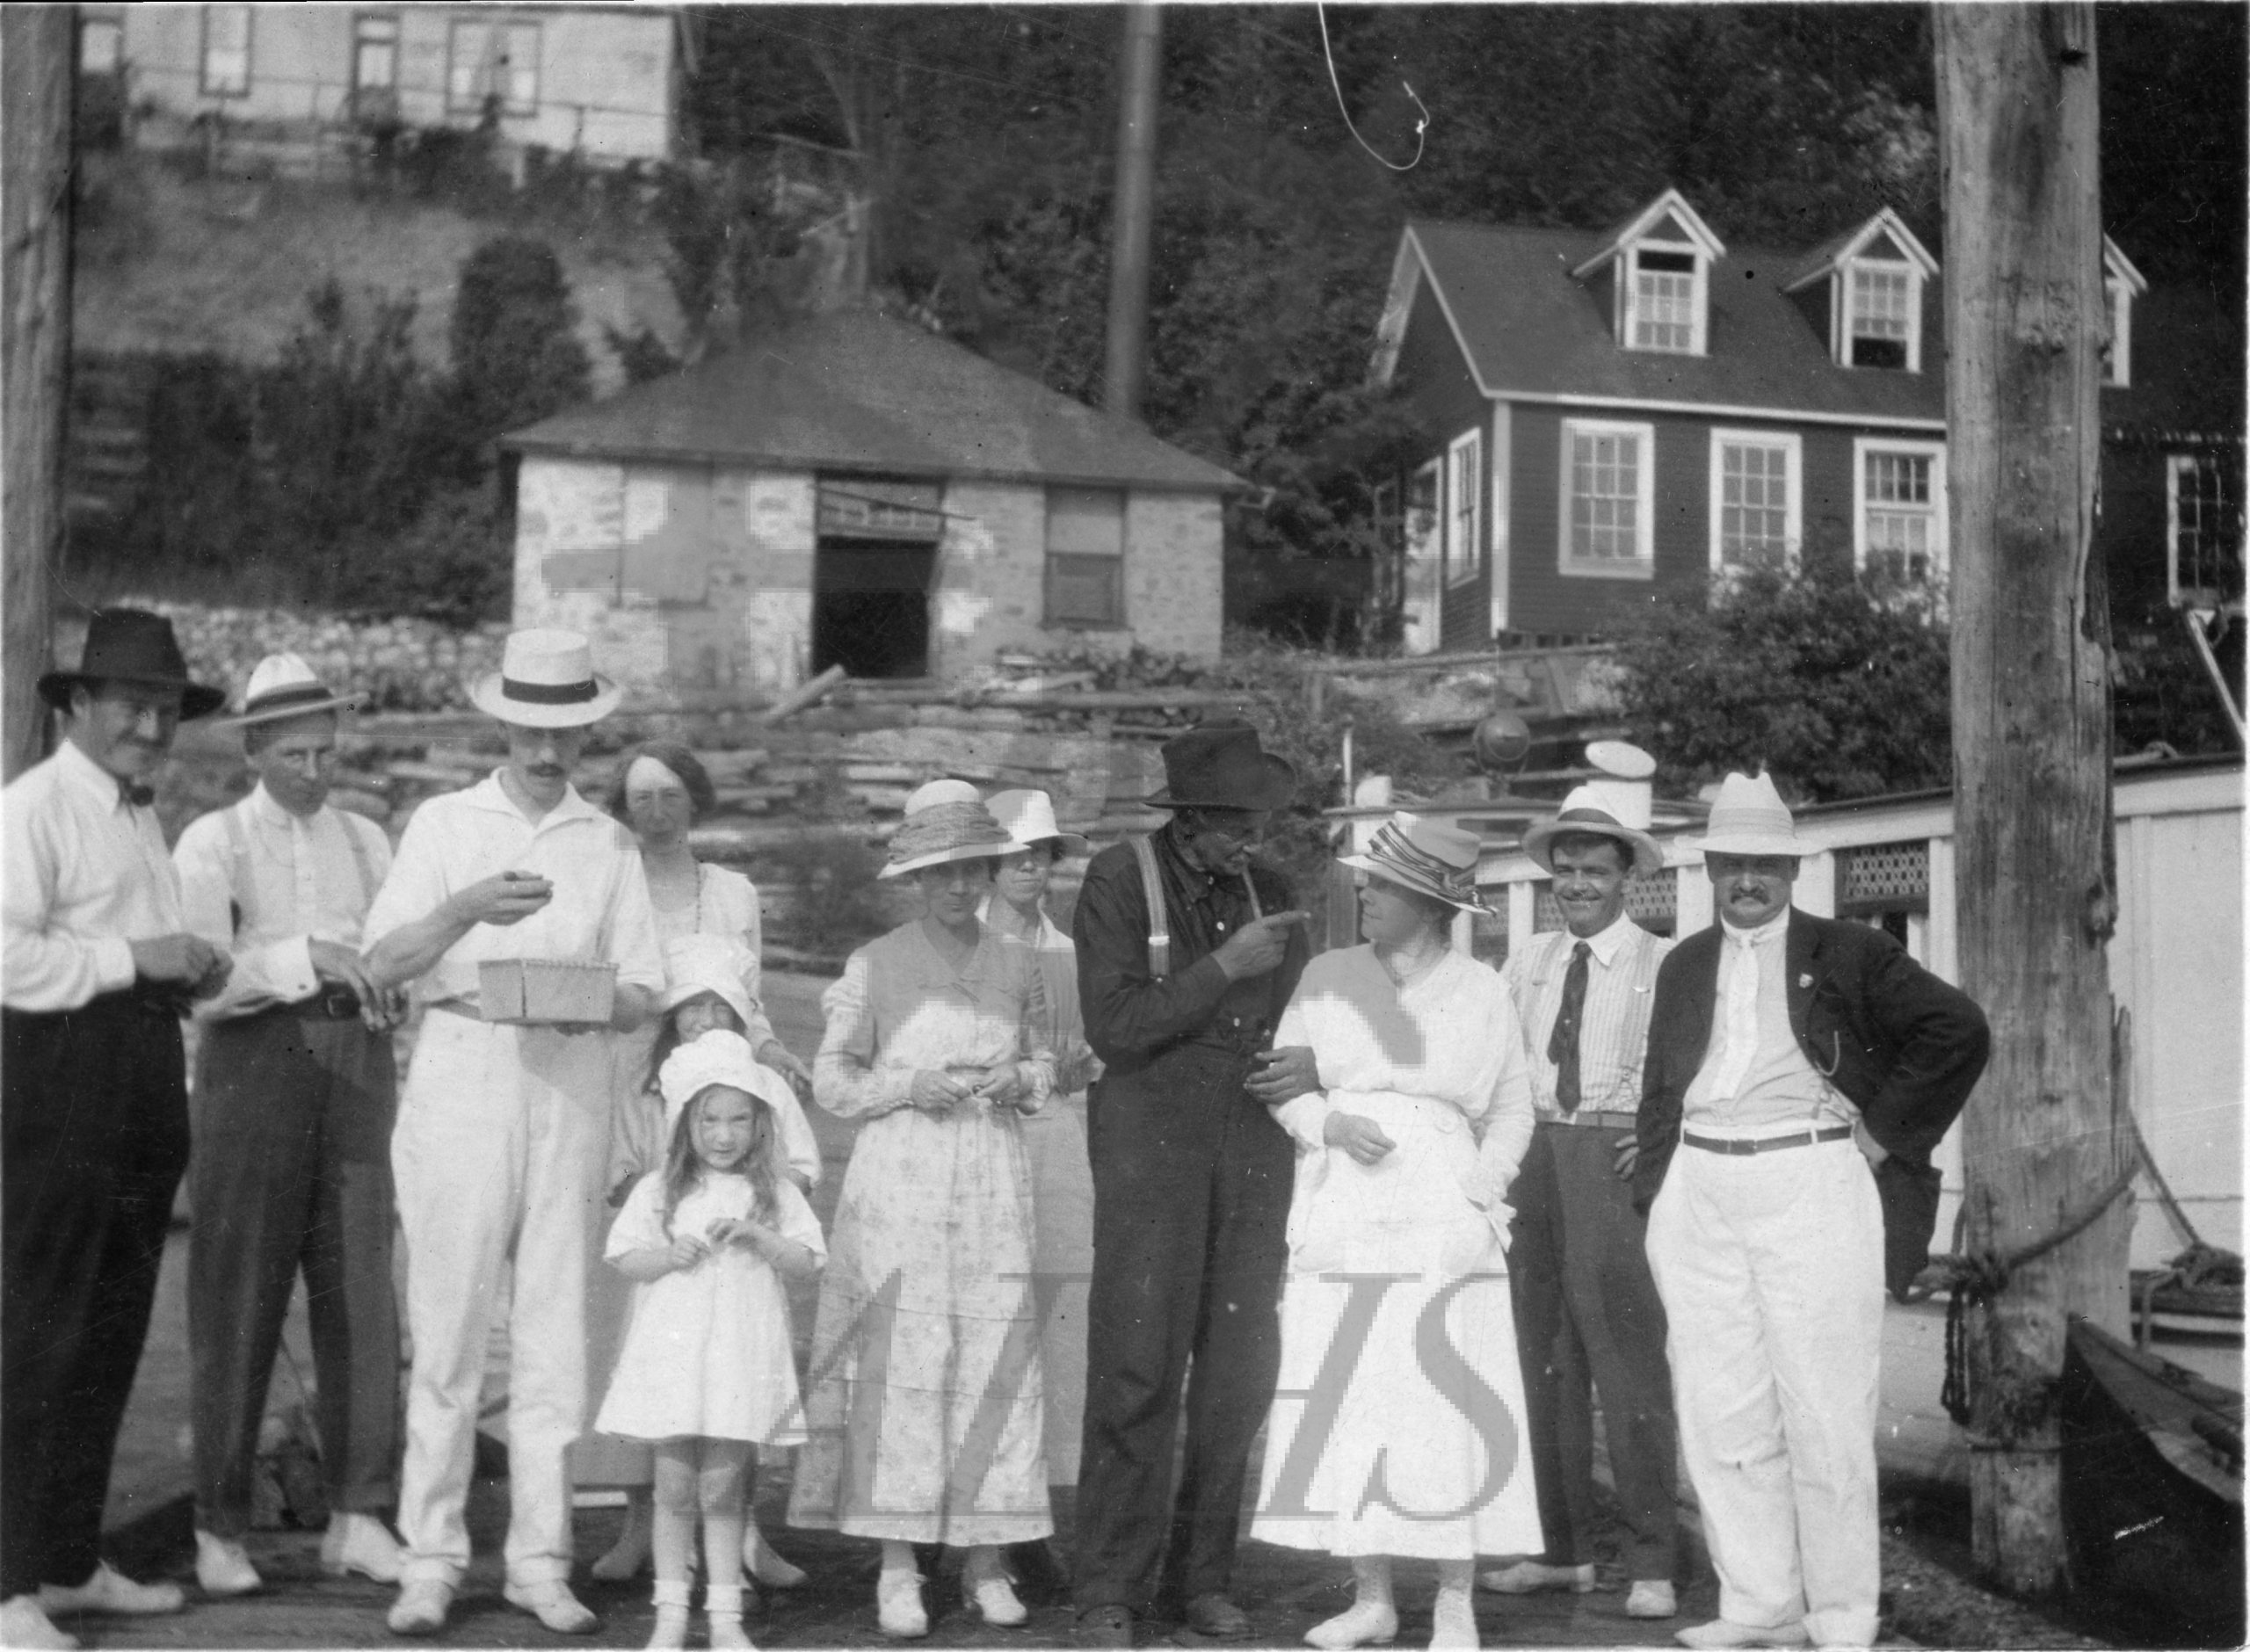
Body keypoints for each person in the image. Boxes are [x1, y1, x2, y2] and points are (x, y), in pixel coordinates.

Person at [1634, 772, 1989, 1650]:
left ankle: (1840, 1617)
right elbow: (1658, 1088)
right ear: (1709, 869)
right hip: (1701, 1186)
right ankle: (1758, 1605)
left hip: (1811, 1179)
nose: (1746, 879)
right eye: (1731, 863)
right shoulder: (1683, 964)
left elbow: (1957, 1029)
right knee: (1720, 1408)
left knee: (1824, 1411)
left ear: (1792, 870)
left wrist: (1882, 1134)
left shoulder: (1850, 951)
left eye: (1764, 864)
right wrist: (1657, 1188)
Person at [362, 628, 666, 1639]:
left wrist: (589, 998)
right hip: (462, 1069)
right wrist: (466, 908)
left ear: (586, 733)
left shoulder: (607, 842)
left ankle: (540, 1559)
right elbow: (383, 961)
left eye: (565, 732)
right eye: (530, 729)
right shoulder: (445, 822)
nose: (546, 750)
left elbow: (645, 989)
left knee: (554, 1334)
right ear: (500, 723)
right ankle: (431, 1557)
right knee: (448, 1330)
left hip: (569, 1081)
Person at [1250, 813, 1542, 1652]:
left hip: (1442, 1214)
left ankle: (1454, 1599)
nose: (1366, 896)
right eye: (1368, 883)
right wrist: (1328, 1123)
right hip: (1346, 1202)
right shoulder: (1328, 974)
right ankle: (1372, 1597)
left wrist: (1478, 1193)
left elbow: (1513, 1109)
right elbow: (1282, 1083)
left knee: (1446, 1399)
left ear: (1430, 903)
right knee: (1353, 1392)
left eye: (1383, 887)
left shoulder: (1481, 989)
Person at [2, 608, 231, 1651]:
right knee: (35, 1332)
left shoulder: (139, 815)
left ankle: (65, 1559)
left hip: (140, 1080)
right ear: (80, 704)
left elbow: (133, 948)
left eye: (167, 709)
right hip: (54, 1085)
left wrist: (184, 967)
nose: (151, 727)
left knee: (110, 1330)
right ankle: (6, 1584)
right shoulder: (31, 808)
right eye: (132, 705)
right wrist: (134, 960)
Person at [788, 782, 1057, 1639]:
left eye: (972, 869)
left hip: (990, 1174)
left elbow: (1048, 1062)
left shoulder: (1019, 962)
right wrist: (909, 1083)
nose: (958, 885)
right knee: (904, 1354)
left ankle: (987, 1557)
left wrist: (1021, 1077)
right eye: (941, 871)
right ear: (913, 878)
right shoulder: (874, 964)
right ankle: (899, 1562)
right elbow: (833, 1080)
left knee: (992, 1352)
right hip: (902, 1172)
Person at [1071, 721, 1317, 1647]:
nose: (1250, 840)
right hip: (1151, 1139)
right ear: (1188, 818)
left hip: (1252, 1138)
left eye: (1259, 823)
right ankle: (1109, 1587)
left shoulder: (1274, 890)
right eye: (1234, 825)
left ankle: (1201, 1577)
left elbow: (1306, 1014)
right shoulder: (1117, 879)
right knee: (1137, 1361)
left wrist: (1308, 1059)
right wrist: (1224, 966)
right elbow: (1115, 1025)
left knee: (1236, 1370)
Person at [171, 654, 407, 1598]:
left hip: (357, 1065)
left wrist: (391, 985)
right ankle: (218, 1524)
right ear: (254, 751)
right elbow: (203, 984)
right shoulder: (212, 843)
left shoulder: (367, 837)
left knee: (361, 1288)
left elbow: (392, 950)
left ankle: (360, 1513)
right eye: (293, 753)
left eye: (325, 751)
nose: (313, 770)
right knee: (238, 1294)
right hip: (251, 1065)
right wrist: (306, 954)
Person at [584, 740, 812, 1590]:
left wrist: (768, 1051)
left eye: (671, 793)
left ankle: (741, 1530)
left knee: (731, 1329)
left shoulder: (732, 891)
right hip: (637, 1089)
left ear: (695, 798)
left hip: (721, 1093)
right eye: (639, 796)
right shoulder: (608, 879)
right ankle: (641, 1518)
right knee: (646, 1323)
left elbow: (748, 1000)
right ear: (621, 807)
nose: (655, 810)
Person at [1481, 784, 1680, 1620]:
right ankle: (1563, 1552)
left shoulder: (1664, 964)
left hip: (1609, 1157)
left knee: (1627, 1363)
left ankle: (1652, 1560)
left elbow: (1694, 1066)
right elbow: (1491, 1057)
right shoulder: (1527, 960)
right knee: (1543, 1357)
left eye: (1595, 870)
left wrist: (1660, 1135)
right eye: (1565, 871)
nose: (1577, 885)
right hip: (1534, 1155)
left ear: (1627, 875)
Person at [598, 1032, 825, 1651]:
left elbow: (808, 1261)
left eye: (738, 1120)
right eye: (709, 1120)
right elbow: (624, 1257)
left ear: (759, 1124)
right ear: (685, 1124)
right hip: (677, 1356)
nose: (724, 1135)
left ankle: (726, 1617)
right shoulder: (659, 1189)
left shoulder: (774, 1192)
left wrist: (762, 1238)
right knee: (674, 1487)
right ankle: (670, 1613)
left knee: (723, 1488)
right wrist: (668, 1256)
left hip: (738, 1357)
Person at [978, 788, 1100, 1497]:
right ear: (988, 865)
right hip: (976, 1130)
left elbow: (1080, 1054)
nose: (1030, 868)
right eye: (1015, 856)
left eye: (1042, 856)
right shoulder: (964, 941)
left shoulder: (1066, 951)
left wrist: (1076, 1061)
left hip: (1051, 1129)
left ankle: (1043, 1491)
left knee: (1060, 1299)